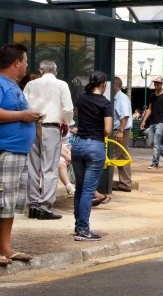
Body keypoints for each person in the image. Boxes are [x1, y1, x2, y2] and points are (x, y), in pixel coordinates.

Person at [0, 44, 42, 265]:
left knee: (9, 203)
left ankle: (5, 247)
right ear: (16, 62)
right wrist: (23, 115)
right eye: (25, 60)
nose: (27, 64)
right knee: (1, 200)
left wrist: (29, 117)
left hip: (17, 152)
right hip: (5, 150)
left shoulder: (13, 85)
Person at [23, 59, 74, 220]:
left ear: (41, 71)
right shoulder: (62, 85)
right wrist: (66, 122)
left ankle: (33, 205)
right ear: (55, 71)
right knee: (49, 168)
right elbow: (68, 109)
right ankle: (45, 206)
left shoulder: (31, 85)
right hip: (51, 127)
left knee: (33, 167)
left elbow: (23, 105)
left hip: (32, 126)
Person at [71, 70, 113, 242]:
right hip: (95, 146)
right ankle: (83, 230)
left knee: (80, 189)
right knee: (88, 190)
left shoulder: (81, 98)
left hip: (78, 144)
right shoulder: (106, 103)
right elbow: (108, 130)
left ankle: (78, 225)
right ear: (103, 85)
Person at [139, 76, 163, 169]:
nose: (156, 85)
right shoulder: (152, 96)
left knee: (156, 142)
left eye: (158, 83)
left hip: (161, 122)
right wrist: (144, 121)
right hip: (152, 122)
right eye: (155, 83)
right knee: (151, 142)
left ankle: (155, 163)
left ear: (161, 84)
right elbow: (149, 109)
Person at [111, 77, 133, 192]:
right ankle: (125, 183)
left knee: (111, 155)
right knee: (122, 156)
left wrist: (120, 131)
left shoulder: (121, 98)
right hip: (122, 130)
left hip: (120, 130)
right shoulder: (117, 98)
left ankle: (105, 182)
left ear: (116, 86)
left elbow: (124, 115)